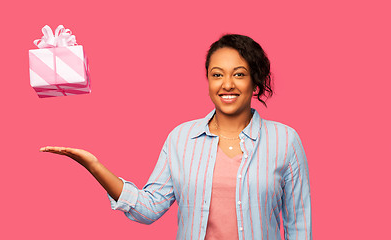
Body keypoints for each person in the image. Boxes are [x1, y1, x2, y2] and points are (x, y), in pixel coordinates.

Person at [40, 34, 312, 240]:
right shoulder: (181, 139)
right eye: (217, 75)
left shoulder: (284, 141)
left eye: (239, 74)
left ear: (255, 80)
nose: (227, 84)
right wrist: (94, 165)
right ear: (207, 80)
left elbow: (298, 225)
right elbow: (149, 208)